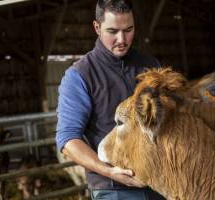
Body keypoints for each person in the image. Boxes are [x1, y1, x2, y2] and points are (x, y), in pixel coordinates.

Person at [56, 0, 166, 199]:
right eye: (112, 31)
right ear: (97, 27)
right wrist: (108, 171)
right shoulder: (80, 75)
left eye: (128, 29)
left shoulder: (151, 66)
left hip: (159, 183)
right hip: (113, 189)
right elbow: (68, 140)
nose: (122, 39)